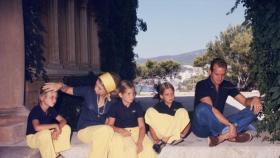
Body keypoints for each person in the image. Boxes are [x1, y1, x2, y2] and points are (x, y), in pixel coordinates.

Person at [43, 72, 120, 158]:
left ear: (108, 91)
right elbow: (68, 89)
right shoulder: (88, 91)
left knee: (109, 134)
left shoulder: (112, 103)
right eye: (96, 84)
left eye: (100, 88)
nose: (95, 89)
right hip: (84, 130)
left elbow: (108, 123)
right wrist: (60, 85)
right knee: (106, 131)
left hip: (100, 132)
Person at [192, 58, 263, 147]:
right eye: (216, 74)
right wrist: (230, 124)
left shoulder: (227, 85)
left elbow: (244, 101)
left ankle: (222, 136)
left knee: (256, 108)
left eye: (223, 75)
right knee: (202, 108)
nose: (220, 78)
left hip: (219, 123)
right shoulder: (202, 85)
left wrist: (255, 99)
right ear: (210, 72)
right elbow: (211, 110)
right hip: (203, 128)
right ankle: (234, 131)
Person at [107, 80, 156, 158]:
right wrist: (120, 130)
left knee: (149, 148)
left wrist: (140, 142)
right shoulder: (114, 107)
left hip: (137, 131)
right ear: (120, 95)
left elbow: (142, 127)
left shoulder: (137, 106)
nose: (132, 96)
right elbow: (109, 125)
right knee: (131, 150)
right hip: (122, 133)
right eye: (128, 94)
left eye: (133, 93)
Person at [145, 82, 191, 153]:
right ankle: (167, 139)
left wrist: (183, 134)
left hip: (175, 132)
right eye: (167, 94)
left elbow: (187, 121)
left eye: (172, 94)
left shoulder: (178, 105)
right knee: (150, 111)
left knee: (182, 112)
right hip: (162, 132)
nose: (170, 96)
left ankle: (166, 140)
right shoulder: (157, 107)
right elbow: (152, 125)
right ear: (161, 96)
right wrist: (155, 139)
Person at [26, 89, 71, 158]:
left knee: (66, 128)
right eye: (51, 97)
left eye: (55, 97)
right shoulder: (35, 110)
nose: (55, 100)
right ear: (42, 98)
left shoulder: (51, 109)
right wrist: (55, 125)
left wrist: (57, 128)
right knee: (45, 133)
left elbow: (63, 120)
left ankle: (56, 152)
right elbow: (37, 127)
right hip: (33, 138)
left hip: (46, 135)